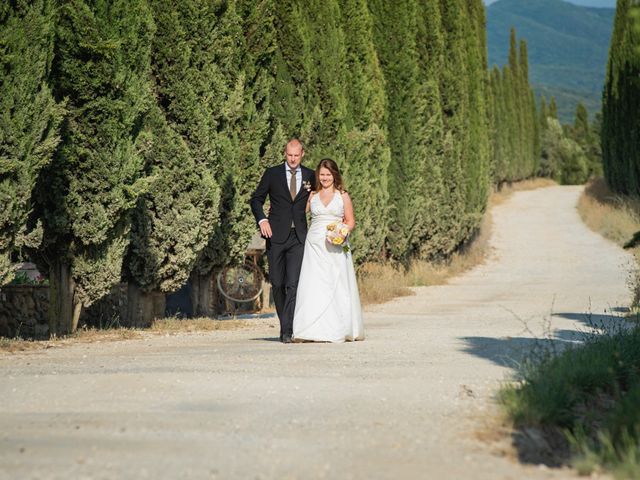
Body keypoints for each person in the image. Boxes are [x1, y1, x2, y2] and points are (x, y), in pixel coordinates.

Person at [250, 139, 316, 343]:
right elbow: (256, 199)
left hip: (299, 237)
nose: (293, 159)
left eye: (296, 155)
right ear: (285, 154)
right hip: (275, 236)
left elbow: (321, 195)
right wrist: (262, 219)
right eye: (290, 155)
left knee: (293, 284)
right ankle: (285, 322)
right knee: (278, 283)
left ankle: (287, 329)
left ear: (302, 154)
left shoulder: (310, 175)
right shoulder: (272, 174)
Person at [293, 158, 364, 343]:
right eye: (322, 174)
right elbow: (298, 213)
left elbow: (350, 221)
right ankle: (309, 329)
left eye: (328, 174)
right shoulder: (312, 196)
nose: (325, 178)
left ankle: (337, 327)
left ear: (334, 175)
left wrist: (342, 232)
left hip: (335, 246)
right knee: (313, 284)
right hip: (314, 244)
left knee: (335, 284)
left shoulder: (343, 196)